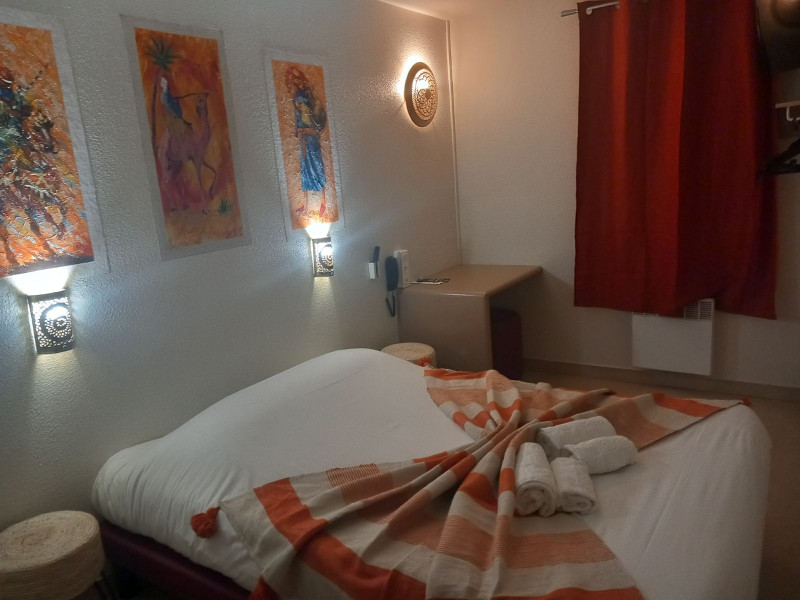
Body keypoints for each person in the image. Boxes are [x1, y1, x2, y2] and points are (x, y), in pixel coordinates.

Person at [285, 66, 327, 217]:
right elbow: (300, 119)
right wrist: (299, 130)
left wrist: (305, 130)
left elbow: (310, 121)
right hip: (305, 139)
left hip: (310, 138)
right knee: (306, 169)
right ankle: (308, 203)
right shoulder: (300, 98)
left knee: (316, 167)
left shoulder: (305, 98)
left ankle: (323, 202)